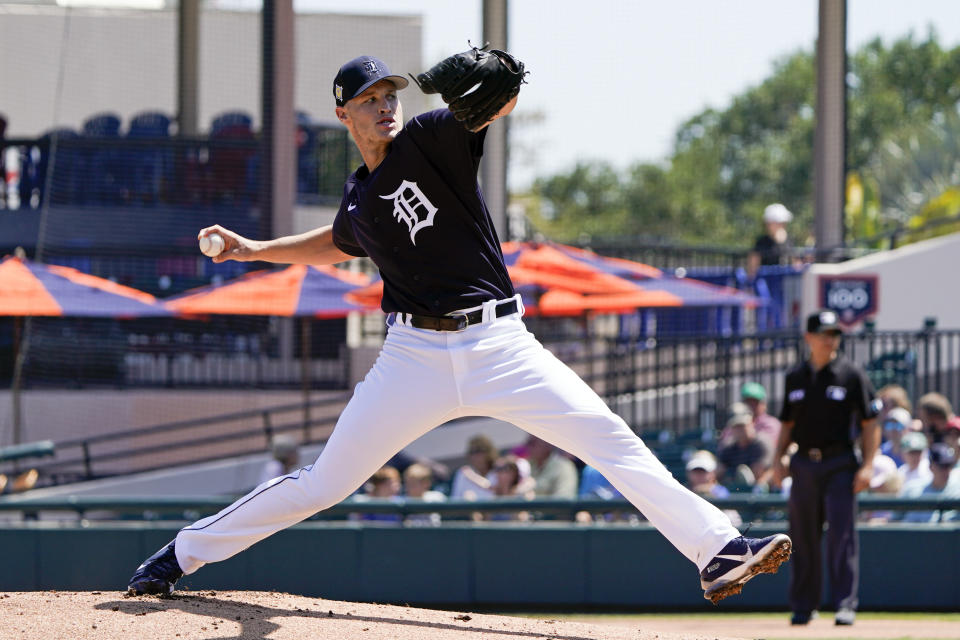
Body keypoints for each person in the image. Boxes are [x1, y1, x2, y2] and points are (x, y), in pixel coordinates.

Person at [127, 51, 790, 604]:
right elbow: (333, 242)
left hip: (499, 344)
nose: (386, 105)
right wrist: (253, 249)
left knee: (610, 441)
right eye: (370, 98)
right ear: (343, 115)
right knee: (324, 483)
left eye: (391, 93)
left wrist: (502, 80)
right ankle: (181, 556)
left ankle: (718, 549)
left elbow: (489, 104)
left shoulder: (430, 139)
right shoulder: (360, 197)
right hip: (412, 356)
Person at [772, 310, 881, 626]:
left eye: (834, 333)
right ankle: (804, 605)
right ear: (808, 337)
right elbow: (787, 423)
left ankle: (845, 604)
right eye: (823, 333)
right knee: (802, 537)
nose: (829, 339)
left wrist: (869, 464)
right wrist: (778, 458)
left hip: (840, 463)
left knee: (840, 536)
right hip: (804, 462)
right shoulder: (795, 377)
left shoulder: (851, 374)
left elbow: (870, 423)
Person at [900, 444, 960, 523]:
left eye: (948, 466)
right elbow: (896, 519)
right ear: (931, 467)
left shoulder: (957, 491)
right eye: (941, 466)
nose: (946, 471)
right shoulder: (912, 489)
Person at [685, 450, 742, 527]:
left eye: (703, 471)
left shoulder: (721, 491)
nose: (699, 475)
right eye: (695, 471)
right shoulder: (684, 491)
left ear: (712, 473)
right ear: (689, 474)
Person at [717, 413, 770, 489]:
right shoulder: (728, 446)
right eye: (737, 427)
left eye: (743, 426)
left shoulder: (761, 443)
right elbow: (719, 470)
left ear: (751, 425)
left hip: (758, 486)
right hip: (733, 487)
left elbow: (762, 470)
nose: (740, 430)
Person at [747, 203, 794, 277]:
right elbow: (752, 268)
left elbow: (796, 265)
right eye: (779, 223)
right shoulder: (761, 242)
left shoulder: (788, 241)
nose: (783, 225)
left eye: (783, 223)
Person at [449, 434, 498, 500]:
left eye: (479, 451)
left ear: (489, 452)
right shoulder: (462, 473)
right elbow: (455, 499)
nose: (475, 456)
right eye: (472, 452)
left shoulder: (499, 470)